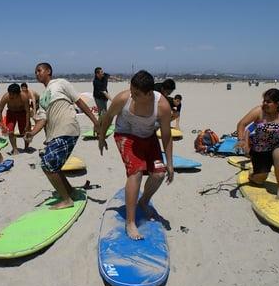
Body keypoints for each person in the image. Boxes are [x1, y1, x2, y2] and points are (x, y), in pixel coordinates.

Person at [98, 70, 174, 240]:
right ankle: (130, 222)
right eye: (131, 90)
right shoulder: (123, 98)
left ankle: (144, 201)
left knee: (159, 174)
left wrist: (169, 162)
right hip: (126, 135)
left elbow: (167, 136)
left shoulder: (162, 106)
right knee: (136, 172)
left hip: (148, 137)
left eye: (137, 94)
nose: (132, 95)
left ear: (149, 93)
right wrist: (101, 137)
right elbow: (108, 117)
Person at [25, 62, 99, 210]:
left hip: (67, 128)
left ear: (48, 71)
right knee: (54, 167)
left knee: (48, 165)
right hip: (54, 134)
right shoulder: (44, 97)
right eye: (35, 72)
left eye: (39, 70)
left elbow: (79, 101)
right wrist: (32, 133)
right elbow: (42, 120)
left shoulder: (61, 83)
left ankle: (66, 200)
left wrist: (95, 121)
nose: (37, 73)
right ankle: (70, 192)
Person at [0, 83, 31, 155]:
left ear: (18, 93)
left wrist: (27, 124)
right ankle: (15, 149)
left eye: (12, 94)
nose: (10, 96)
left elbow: (27, 112)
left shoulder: (24, 97)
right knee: (10, 131)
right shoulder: (6, 97)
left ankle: (26, 147)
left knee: (26, 131)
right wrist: (2, 124)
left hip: (22, 113)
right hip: (11, 114)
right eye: (10, 94)